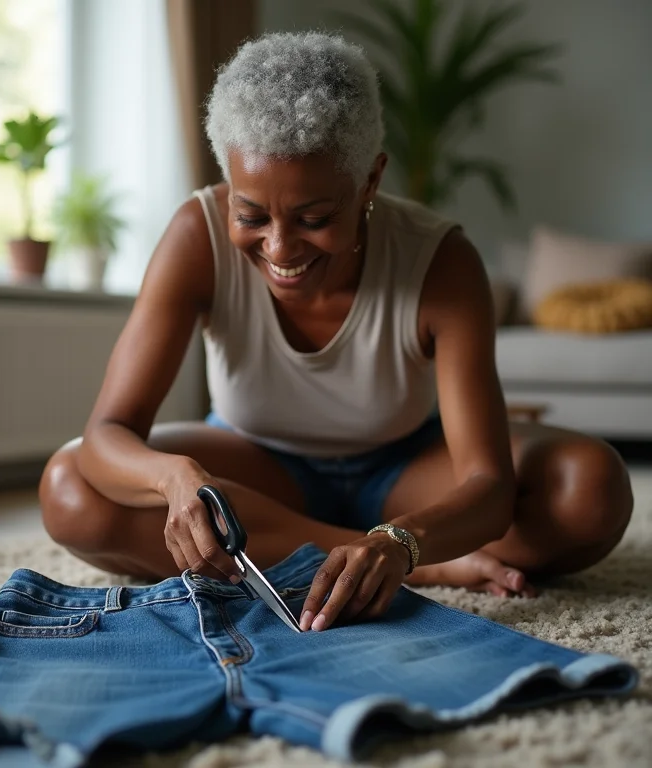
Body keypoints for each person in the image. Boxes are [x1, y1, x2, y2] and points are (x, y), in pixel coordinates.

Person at [39, 31, 633, 633]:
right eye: (250, 215)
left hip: (405, 469)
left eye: (314, 219)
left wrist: (403, 538)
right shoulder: (196, 236)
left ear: (370, 182)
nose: (279, 247)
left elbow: (486, 483)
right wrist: (176, 478)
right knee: (68, 487)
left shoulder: (441, 261)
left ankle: (361, 555)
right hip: (255, 471)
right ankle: (402, 563)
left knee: (590, 488)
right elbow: (107, 433)